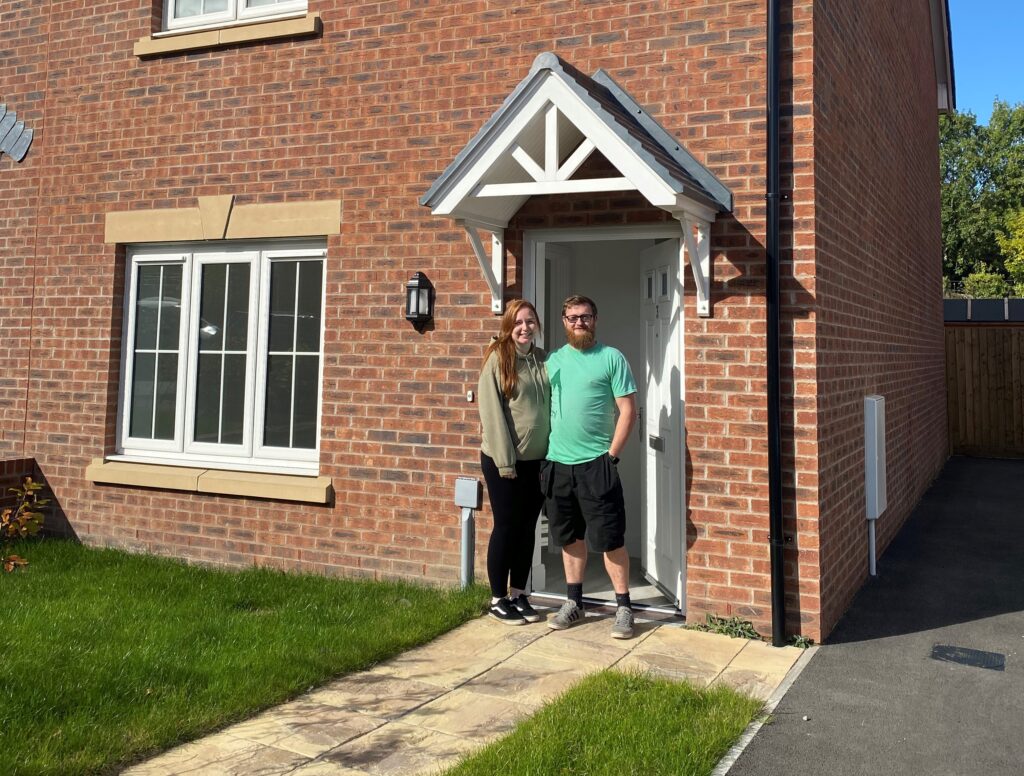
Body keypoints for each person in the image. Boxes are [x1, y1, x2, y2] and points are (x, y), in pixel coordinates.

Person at [542, 294, 638, 639]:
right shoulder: (553, 361)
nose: (578, 322)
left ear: (595, 319)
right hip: (558, 464)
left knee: (610, 539)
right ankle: (574, 603)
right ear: (564, 322)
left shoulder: (611, 358)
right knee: (570, 538)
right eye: (571, 318)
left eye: (584, 317)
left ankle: (624, 608)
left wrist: (611, 457)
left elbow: (628, 410)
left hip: (597, 464)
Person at [478, 299, 550, 625]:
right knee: (506, 527)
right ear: (509, 326)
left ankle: (519, 594)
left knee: (527, 528)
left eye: (530, 321)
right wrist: (506, 463)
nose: (525, 328)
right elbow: (492, 415)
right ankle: (498, 598)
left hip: (536, 462)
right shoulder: (497, 359)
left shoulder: (542, 360)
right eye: (518, 322)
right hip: (503, 462)